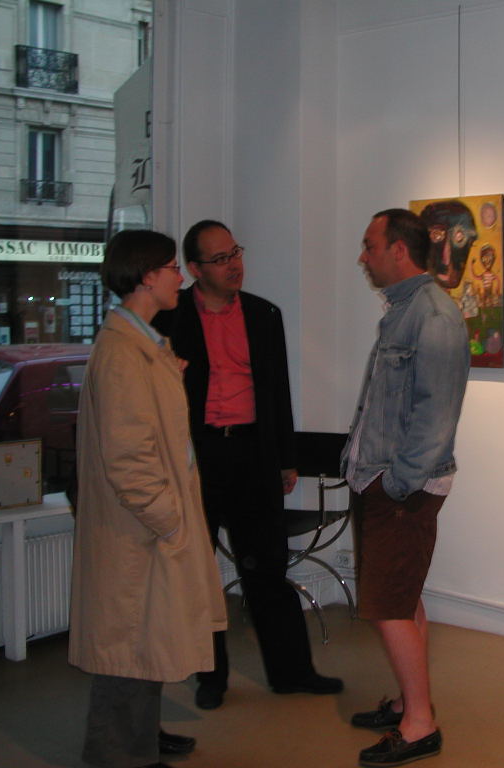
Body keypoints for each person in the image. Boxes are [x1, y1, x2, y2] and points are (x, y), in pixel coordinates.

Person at [153, 219, 342, 710]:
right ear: (195, 269)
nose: (234, 264)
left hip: (253, 453)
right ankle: (210, 677)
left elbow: (277, 391)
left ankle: (293, 672)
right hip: (197, 456)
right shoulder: (171, 318)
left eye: (235, 252)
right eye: (220, 259)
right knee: (199, 573)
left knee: (269, 567)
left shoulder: (263, 314)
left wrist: (285, 459)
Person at [69, 229, 226, 768]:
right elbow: (128, 460)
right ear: (145, 276)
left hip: (145, 526)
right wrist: (170, 519)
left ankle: (141, 738)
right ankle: (117, 754)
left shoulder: (144, 344)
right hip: (136, 527)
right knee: (127, 645)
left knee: (146, 638)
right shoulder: (122, 353)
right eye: (172, 268)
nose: (180, 277)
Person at [342, 209, 469, 767]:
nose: (363, 257)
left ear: (398, 250)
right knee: (403, 596)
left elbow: (436, 416)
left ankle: (419, 725)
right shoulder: (405, 310)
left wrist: (397, 484)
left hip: (400, 486)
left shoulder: (434, 316)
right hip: (381, 477)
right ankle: (408, 702)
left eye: (370, 246)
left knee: (388, 605)